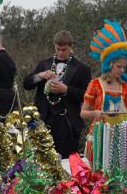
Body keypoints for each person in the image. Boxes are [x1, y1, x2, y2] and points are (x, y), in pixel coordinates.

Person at [80, 20, 127, 162]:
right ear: (109, 64)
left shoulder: (125, 87)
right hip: (99, 138)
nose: (122, 70)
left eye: (124, 67)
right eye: (119, 67)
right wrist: (95, 113)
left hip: (120, 141)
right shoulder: (95, 84)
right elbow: (83, 113)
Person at [23, 30, 91, 158]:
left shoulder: (82, 69)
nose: (60, 52)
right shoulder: (44, 64)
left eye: (64, 49)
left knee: (67, 161)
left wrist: (66, 90)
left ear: (71, 47)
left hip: (67, 122)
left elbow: (86, 95)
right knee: (41, 159)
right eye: (58, 49)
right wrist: (40, 75)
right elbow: (27, 84)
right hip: (43, 119)